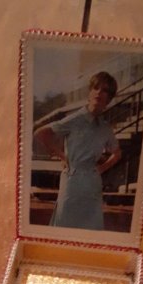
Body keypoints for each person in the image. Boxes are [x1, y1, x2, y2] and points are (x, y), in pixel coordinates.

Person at [34, 72, 121, 230]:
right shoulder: (75, 119)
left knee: (90, 228)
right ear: (90, 92)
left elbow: (117, 153)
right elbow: (41, 133)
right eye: (96, 88)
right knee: (64, 224)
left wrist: (102, 168)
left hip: (92, 182)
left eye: (104, 90)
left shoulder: (105, 128)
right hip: (72, 178)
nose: (99, 92)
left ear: (109, 98)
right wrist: (62, 155)